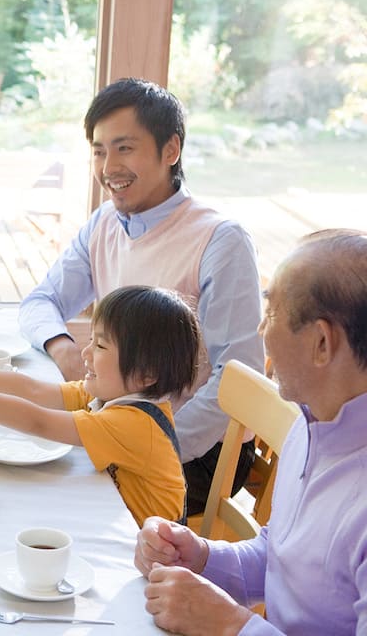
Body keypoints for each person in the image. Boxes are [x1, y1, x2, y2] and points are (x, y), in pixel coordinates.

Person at [18, 77, 264, 514]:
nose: (108, 166)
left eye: (124, 148)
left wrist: (154, 443)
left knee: (49, 492)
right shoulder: (104, 224)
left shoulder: (220, 241)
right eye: (99, 150)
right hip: (119, 421)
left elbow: (236, 380)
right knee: (25, 468)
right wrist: (64, 348)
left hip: (198, 451)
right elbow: (40, 303)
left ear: (171, 150)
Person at [134, 229, 367, 635]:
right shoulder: (311, 425)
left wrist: (231, 626)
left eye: (272, 312)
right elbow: (279, 557)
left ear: (321, 343)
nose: (261, 331)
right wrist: (200, 556)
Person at [0, 285, 200, 525]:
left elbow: (38, 421)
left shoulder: (134, 424)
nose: (85, 352)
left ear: (146, 375)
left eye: (100, 346)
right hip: (125, 528)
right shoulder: (115, 395)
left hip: (157, 566)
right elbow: (31, 389)